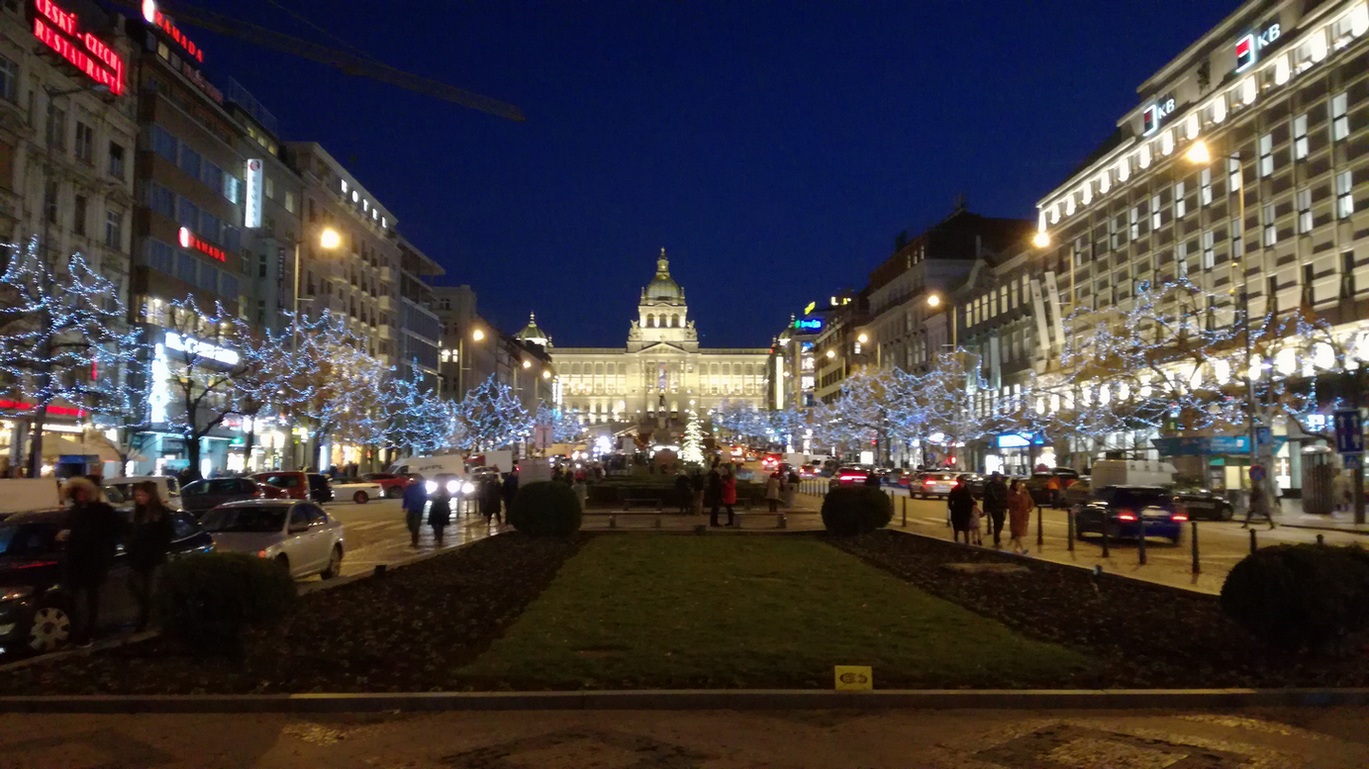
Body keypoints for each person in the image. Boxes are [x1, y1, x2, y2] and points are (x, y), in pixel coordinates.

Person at [59, 477, 122, 647]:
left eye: (84, 491)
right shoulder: (74, 511)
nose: (80, 495)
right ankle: (77, 633)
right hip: (75, 561)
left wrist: (106, 549)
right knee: (74, 599)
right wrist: (63, 536)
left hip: (94, 560)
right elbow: (67, 530)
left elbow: (117, 529)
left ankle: (88, 633)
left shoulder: (102, 511)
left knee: (90, 599)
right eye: (77, 492)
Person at [126, 481, 174, 632]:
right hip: (138, 558)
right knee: (135, 586)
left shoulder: (160, 513)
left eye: (143, 495)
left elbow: (167, 535)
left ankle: (146, 620)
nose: (139, 498)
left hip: (153, 558)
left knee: (149, 590)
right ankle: (147, 615)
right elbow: (132, 533)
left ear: (150, 495)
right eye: (137, 495)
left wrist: (157, 550)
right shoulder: (137, 513)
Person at [1007, 479, 1034, 554]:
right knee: (1017, 532)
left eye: (1020, 484)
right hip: (1016, 515)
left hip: (1023, 515)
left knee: (1020, 533)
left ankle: (1016, 548)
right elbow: (1013, 501)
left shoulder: (1025, 492)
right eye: (1018, 485)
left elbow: (1030, 501)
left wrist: (1030, 508)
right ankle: (1021, 548)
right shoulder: (1012, 493)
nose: (1019, 486)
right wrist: (1018, 493)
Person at [982, 472, 1009, 548]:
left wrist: (1007, 505)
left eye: (999, 477)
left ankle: (997, 536)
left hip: (1002, 507)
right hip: (994, 508)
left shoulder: (1003, 485)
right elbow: (986, 498)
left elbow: (1006, 496)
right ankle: (997, 539)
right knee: (997, 523)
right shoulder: (990, 486)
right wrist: (985, 509)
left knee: (1001, 522)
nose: (999, 478)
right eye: (998, 477)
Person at [947, 479, 976, 544]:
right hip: (957, 511)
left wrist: (972, 505)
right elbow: (950, 501)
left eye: (963, 482)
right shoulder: (954, 490)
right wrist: (952, 509)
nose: (962, 484)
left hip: (966, 512)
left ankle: (967, 541)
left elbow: (970, 500)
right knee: (956, 527)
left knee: (966, 528)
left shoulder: (967, 490)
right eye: (961, 482)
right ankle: (956, 538)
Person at [402, 475, 428, 548]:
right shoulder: (408, 488)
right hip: (411, 508)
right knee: (409, 523)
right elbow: (406, 497)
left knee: (416, 526)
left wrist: (421, 504)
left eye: (415, 479)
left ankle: (414, 542)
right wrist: (404, 506)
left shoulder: (421, 488)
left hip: (418, 509)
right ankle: (415, 534)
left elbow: (424, 497)